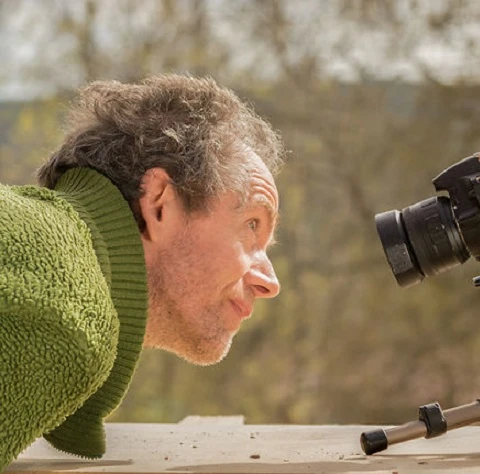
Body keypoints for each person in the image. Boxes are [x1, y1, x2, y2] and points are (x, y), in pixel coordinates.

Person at [0, 74, 284, 469]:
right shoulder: (68, 323)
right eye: (251, 225)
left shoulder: (51, 263)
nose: (270, 282)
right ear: (159, 203)